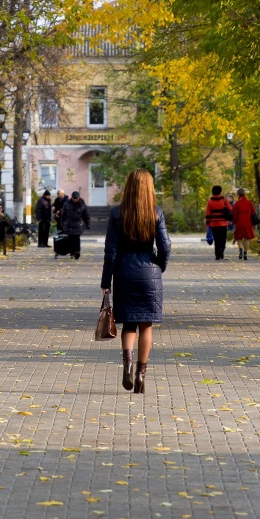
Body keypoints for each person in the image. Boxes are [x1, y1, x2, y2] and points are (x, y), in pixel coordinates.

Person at [102, 169, 171, 394]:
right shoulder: (156, 213)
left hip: (124, 272)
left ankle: (127, 365)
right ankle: (141, 374)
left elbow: (111, 251)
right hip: (149, 274)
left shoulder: (116, 214)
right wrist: (159, 266)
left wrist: (106, 280)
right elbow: (165, 246)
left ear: (128, 187)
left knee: (129, 323)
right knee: (146, 324)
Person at [204, 185, 234, 260]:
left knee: (216, 239)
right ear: (220, 191)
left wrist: (208, 224)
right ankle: (222, 250)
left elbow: (208, 213)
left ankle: (217, 255)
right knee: (223, 239)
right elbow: (231, 209)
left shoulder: (210, 201)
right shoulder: (224, 200)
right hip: (223, 223)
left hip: (214, 224)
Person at [60, 190, 91, 259]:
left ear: (78, 198)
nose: (75, 200)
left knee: (76, 238)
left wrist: (88, 224)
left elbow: (86, 215)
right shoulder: (67, 204)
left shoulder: (82, 204)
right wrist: (62, 224)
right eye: (74, 198)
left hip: (78, 224)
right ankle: (72, 253)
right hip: (69, 224)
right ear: (72, 197)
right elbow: (63, 215)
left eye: (76, 198)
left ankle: (77, 252)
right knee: (70, 239)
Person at [231, 187, 257, 260]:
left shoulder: (237, 203)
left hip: (239, 223)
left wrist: (234, 222)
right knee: (247, 239)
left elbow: (234, 214)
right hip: (248, 223)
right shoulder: (249, 203)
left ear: (238, 195)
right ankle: (245, 254)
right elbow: (253, 213)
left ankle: (240, 249)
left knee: (238, 238)